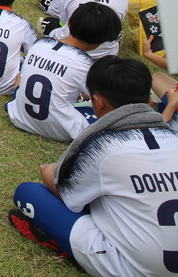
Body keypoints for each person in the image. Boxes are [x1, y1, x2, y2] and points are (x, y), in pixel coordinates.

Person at [10, 57, 178, 277]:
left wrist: (48, 171)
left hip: (132, 268)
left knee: (28, 192)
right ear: (148, 101)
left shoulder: (102, 145)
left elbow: (61, 191)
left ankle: (68, 247)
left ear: (98, 102)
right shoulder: (173, 138)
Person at [8, 2, 121, 142]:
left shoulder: (39, 45)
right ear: (102, 41)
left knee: (21, 76)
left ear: (69, 24)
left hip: (19, 117)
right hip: (62, 130)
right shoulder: (86, 65)